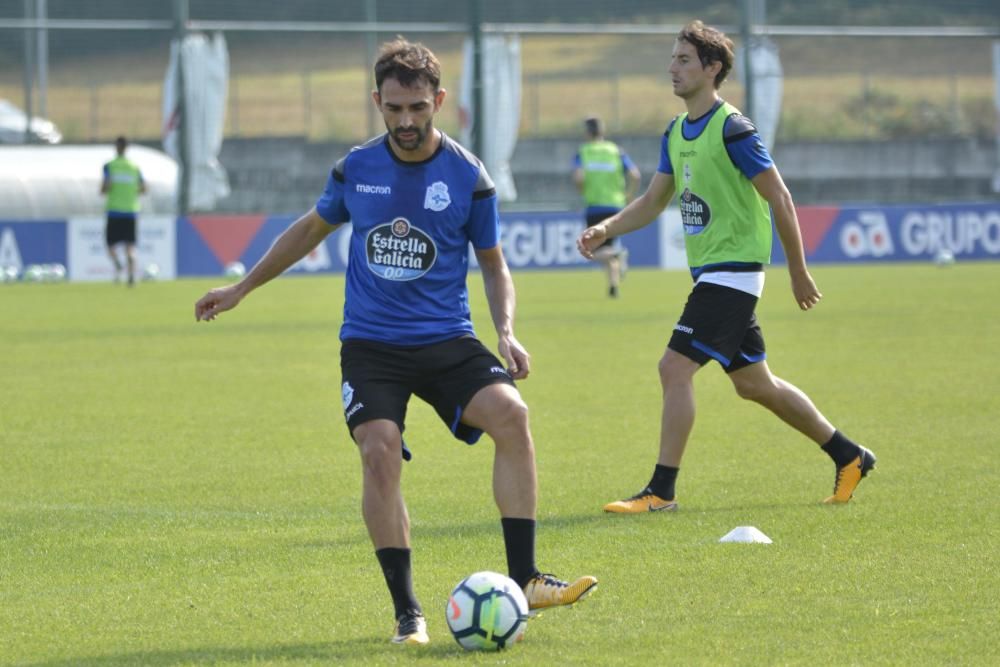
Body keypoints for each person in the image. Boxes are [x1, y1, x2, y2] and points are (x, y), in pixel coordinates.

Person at [195, 38, 597, 646]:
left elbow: (493, 264)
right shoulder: (356, 168)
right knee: (379, 451)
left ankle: (526, 579)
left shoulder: (467, 175)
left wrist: (506, 331)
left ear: (437, 101)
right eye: (393, 109)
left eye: (417, 108)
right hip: (372, 344)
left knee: (512, 416)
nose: (406, 122)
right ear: (377, 102)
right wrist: (243, 287)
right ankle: (408, 613)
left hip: (447, 339)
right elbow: (309, 229)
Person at [577, 20, 876, 513]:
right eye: (672, 58)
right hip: (714, 273)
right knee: (754, 384)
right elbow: (653, 201)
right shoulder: (676, 131)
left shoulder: (733, 128)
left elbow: (779, 196)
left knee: (673, 368)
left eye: (683, 60)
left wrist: (797, 270)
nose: (672, 68)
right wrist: (607, 229)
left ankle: (661, 491)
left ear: (712, 69)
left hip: (733, 274)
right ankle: (850, 456)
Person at [572, 116, 640, 298]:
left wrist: (582, 191)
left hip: (595, 206)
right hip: (616, 205)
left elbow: (579, 177)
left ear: (587, 132)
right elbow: (635, 175)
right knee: (608, 248)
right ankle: (613, 286)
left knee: (591, 249)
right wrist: (629, 194)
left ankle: (617, 255)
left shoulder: (584, 151)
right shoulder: (616, 151)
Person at [101, 136, 146, 286]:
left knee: (110, 245)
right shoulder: (134, 167)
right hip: (131, 211)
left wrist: (104, 190)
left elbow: (106, 186)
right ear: (127, 148)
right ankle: (131, 275)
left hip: (114, 210)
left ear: (116, 147)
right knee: (130, 246)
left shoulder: (110, 166)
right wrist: (132, 192)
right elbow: (144, 188)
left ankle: (118, 264)